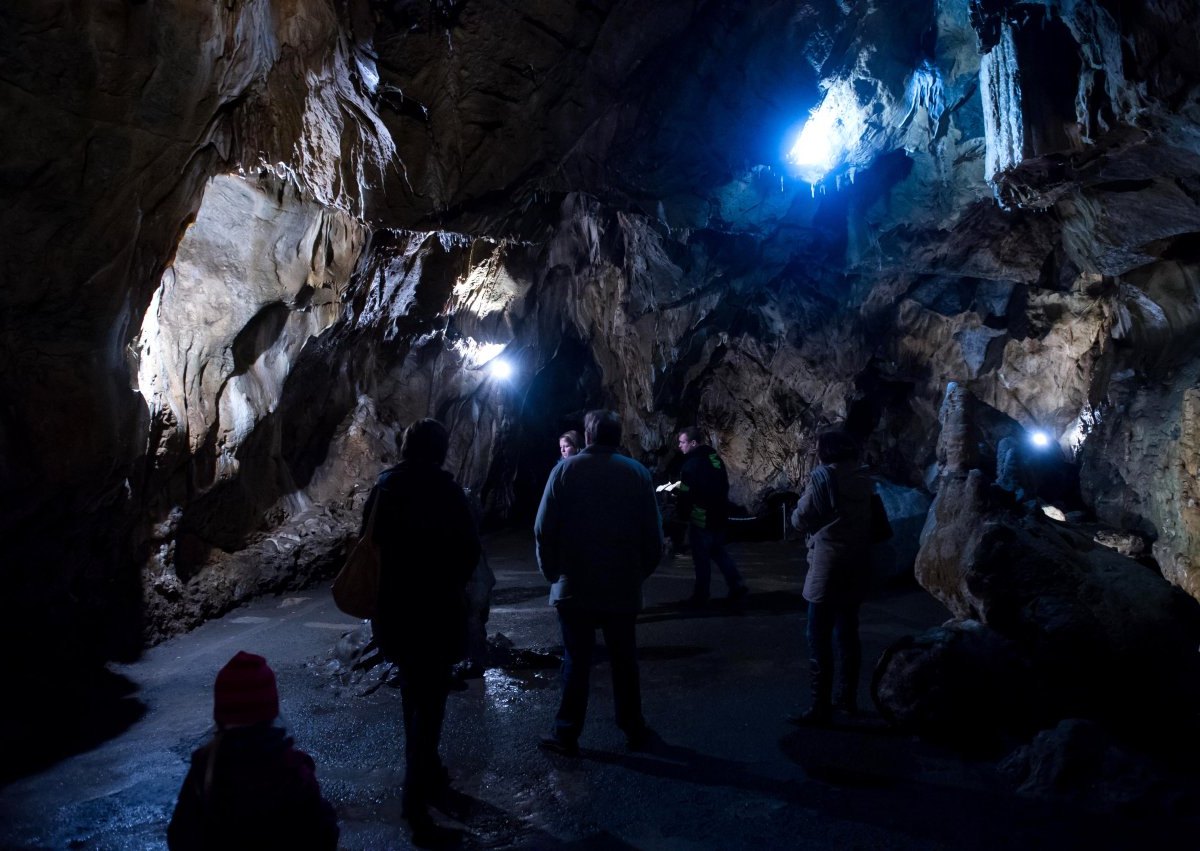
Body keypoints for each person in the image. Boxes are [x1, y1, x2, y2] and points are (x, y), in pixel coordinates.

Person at [363, 418, 481, 838]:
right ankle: (416, 805)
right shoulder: (446, 492)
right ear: (440, 449)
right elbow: (469, 550)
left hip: (395, 611)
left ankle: (427, 771)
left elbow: (368, 545)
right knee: (429, 704)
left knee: (414, 696)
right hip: (435, 611)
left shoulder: (385, 489)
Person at [534, 409, 663, 756]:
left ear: (588, 437)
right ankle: (633, 727)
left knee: (577, 662)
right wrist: (638, 574)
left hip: (575, 586)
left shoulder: (564, 471)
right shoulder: (636, 474)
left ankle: (567, 733)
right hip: (621, 587)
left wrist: (552, 574)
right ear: (618, 436)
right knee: (624, 660)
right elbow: (653, 537)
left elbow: (544, 529)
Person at [167, 651, 338, 851]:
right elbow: (322, 834)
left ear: (221, 715)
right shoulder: (294, 770)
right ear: (270, 711)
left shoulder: (205, 768)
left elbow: (180, 836)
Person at [789, 429, 873, 725]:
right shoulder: (864, 478)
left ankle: (820, 706)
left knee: (818, 634)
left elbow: (801, 518)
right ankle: (847, 699)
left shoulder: (823, 477)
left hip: (828, 563)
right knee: (848, 633)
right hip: (857, 561)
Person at [675, 426, 748, 606]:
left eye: (682, 442)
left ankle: (701, 594)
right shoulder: (715, 459)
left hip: (701, 517)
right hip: (719, 514)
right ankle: (736, 583)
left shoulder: (691, 465)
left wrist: (682, 515)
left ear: (693, 443)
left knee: (701, 557)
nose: (679, 446)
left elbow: (686, 493)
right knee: (718, 551)